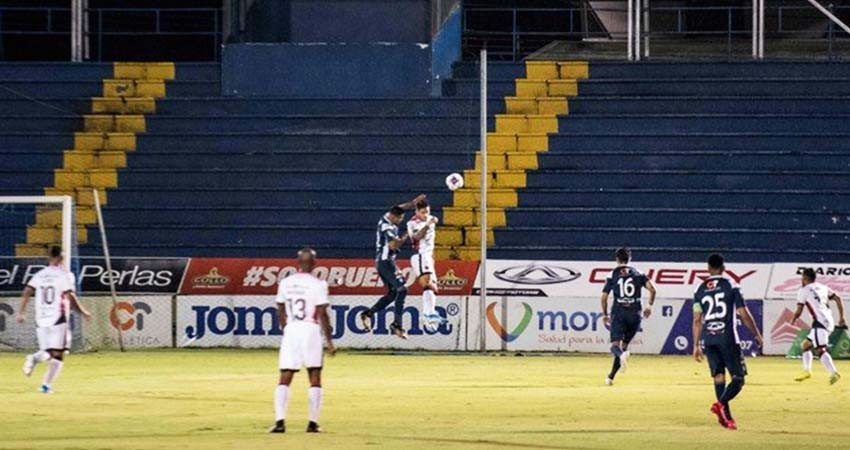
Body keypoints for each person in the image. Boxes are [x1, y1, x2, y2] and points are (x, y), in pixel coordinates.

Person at [692, 253, 763, 430]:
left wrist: (695, 345)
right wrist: (756, 334)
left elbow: (696, 319)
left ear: (708, 269)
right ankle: (721, 404)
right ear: (724, 268)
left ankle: (726, 418)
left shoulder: (699, 290)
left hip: (709, 339)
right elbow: (743, 313)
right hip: (728, 338)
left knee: (718, 377)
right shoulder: (731, 285)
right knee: (738, 379)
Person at [270, 248, 336, 434]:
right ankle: (312, 423)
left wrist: (286, 329)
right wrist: (329, 341)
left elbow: (280, 308)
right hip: (310, 329)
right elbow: (322, 313)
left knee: (285, 376)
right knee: (314, 375)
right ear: (314, 263)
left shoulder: (285, 283)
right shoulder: (318, 284)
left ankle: (279, 422)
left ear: (297, 262)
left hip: (292, 329)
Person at [18, 245, 90, 394]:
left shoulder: (40, 274)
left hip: (41, 318)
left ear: (48, 257)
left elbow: (27, 291)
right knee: (58, 353)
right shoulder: (64, 275)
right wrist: (82, 312)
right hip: (58, 318)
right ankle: (41, 375)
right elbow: (70, 296)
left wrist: (22, 312)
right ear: (62, 258)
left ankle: (44, 382)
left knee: (49, 352)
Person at [360, 194, 426, 339]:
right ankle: (397, 325)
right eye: (400, 219)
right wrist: (408, 234)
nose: (400, 221)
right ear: (395, 218)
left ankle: (367, 314)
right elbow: (394, 244)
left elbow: (398, 208)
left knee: (392, 294)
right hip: (386, 262)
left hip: (383, 262)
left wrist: (412, 204)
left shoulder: (387, 216)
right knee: (402, 290)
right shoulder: (386, 227)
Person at [601, 248, 656, 385]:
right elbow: (652, 290)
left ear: (617, 259)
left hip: (619, 311)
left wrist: (604, 314)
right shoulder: (638, 273)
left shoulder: (612, 274)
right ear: (629, 258)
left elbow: (604, 296)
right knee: (624, 346)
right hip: (636, 312)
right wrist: (649, 306)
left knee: (615, 346)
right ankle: (611, 377)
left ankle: (621, 355)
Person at [791, 267, 845, 384]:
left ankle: (833, 373)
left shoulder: (803, 290)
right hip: (828, 321)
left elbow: (799, 310)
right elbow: (838, 298)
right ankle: (807, 371)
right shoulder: (823, 287)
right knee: (806, 345)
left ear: (805, 278)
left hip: (820, 322)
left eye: (802, 278)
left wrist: (793, 318)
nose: (801, 280)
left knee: (820, 349)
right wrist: (841, 317)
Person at [406, 199, 443, 330]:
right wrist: (428, 224)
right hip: (420, 256)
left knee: (433, 287)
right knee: (427, 283)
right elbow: (416, 237)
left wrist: (431, 220)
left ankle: (430, 313)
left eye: (427, 211)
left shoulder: (430, 218)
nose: (425, 214)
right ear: (416, 212)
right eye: (422, 212)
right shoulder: (412, 223)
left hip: (428, 257)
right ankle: (428, 314)